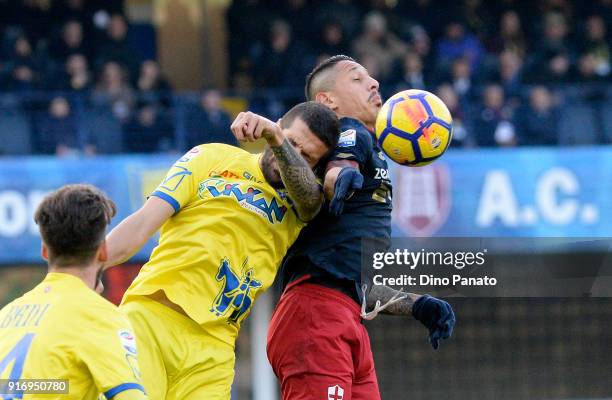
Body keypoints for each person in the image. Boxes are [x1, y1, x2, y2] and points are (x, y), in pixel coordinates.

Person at [104, 101, 340, 399]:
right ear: (278, 123)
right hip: (150, 319)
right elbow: (142, 224)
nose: (292, 157)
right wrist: (88, 265)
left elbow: (310, 199)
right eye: (292, 142)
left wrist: (279, 141)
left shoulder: (304, 201)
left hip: (214, 349)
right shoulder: (212, 157)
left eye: (306, 156)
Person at [265, 55, 456, 400]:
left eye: (371, 77)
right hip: (317, 315)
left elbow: (358, 284)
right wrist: (340, 172)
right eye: (357, 78)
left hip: (345, 317)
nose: (374, 83)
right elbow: (342, 162)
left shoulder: (373, 154)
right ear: (327, 101)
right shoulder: (348, 132)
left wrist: (417, 304)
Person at [0, 184, 147, 400]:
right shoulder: (98, 316)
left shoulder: (7, 315)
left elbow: (32, 387)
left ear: (44, 251)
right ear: (104, 251)